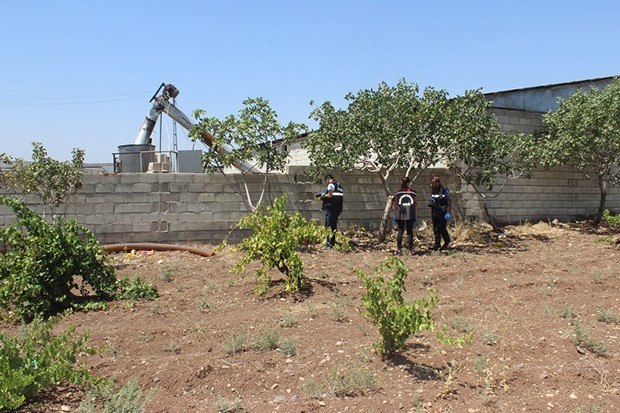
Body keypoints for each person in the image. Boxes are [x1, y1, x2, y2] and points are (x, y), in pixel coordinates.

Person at [393, 176, 418, 256]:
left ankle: (399, 250)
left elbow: (395, 205)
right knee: (409, 232)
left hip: (400, 215)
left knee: (400, 231)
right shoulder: (413, 193)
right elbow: (415, 205)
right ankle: (410, 251)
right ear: (408, 183)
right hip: (410, 214)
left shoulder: (398, 193)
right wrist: (416, 215)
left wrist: (395, 215)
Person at [320, 174, 344, 249]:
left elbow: (330, 195)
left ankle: (329, 244)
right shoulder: (339, 185)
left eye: (326, 181)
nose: (327, 182)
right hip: (337, 209)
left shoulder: (331, 185)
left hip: (331, 208)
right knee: (333, 226)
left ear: (328, 179)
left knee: (328, 225)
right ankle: (332, 242)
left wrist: (323, 196)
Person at [428, 176, 452, 251]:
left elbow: (449, 201)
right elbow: (433, 200)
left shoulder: (444, 191)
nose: (431, 185)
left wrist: (448, 212)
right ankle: (437, 244)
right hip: (435, 212)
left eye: (433, 183)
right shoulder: (433, 190)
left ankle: (447, 242)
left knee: (442, 228)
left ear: (438, 183)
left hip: (443, 212)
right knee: (436, 229)